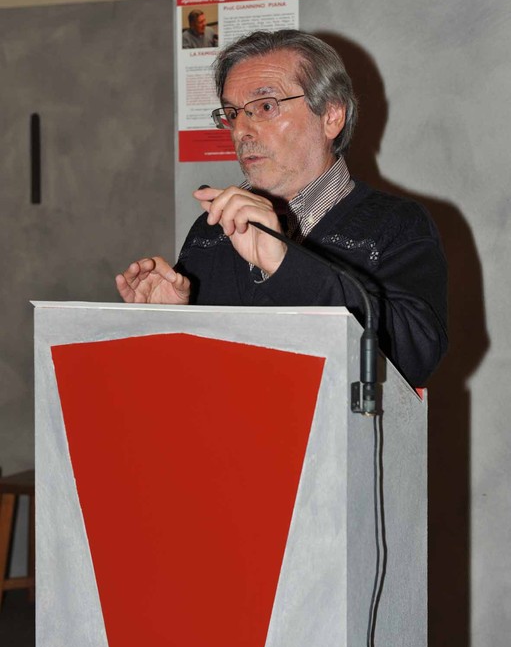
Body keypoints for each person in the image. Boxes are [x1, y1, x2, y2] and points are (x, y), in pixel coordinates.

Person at [116, 30, 447, 386]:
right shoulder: (210, 231)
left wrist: (286, 265)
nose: (241, 130)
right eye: (232, 113)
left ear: (331, 115)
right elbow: (190, 376)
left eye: (265, 107)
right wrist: (166, 322)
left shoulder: (396, 223)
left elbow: (415, 357)